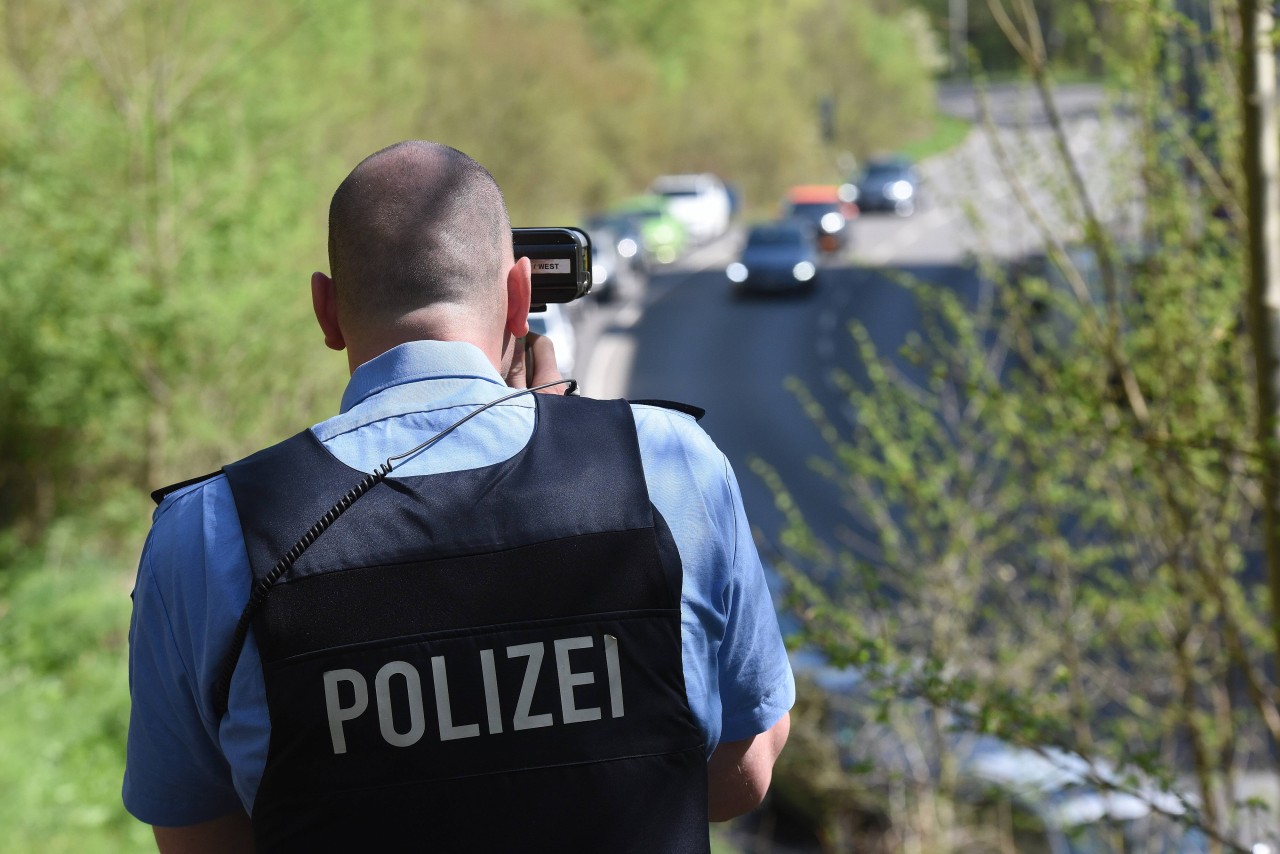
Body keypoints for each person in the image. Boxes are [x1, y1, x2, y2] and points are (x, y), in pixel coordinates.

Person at [123, 140, 794, 852]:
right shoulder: (666, 465)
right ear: (520, 297)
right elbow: (740, 779)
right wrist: (576, 446)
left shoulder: (207, 532)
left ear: (326, 309)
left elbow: (201, 841)